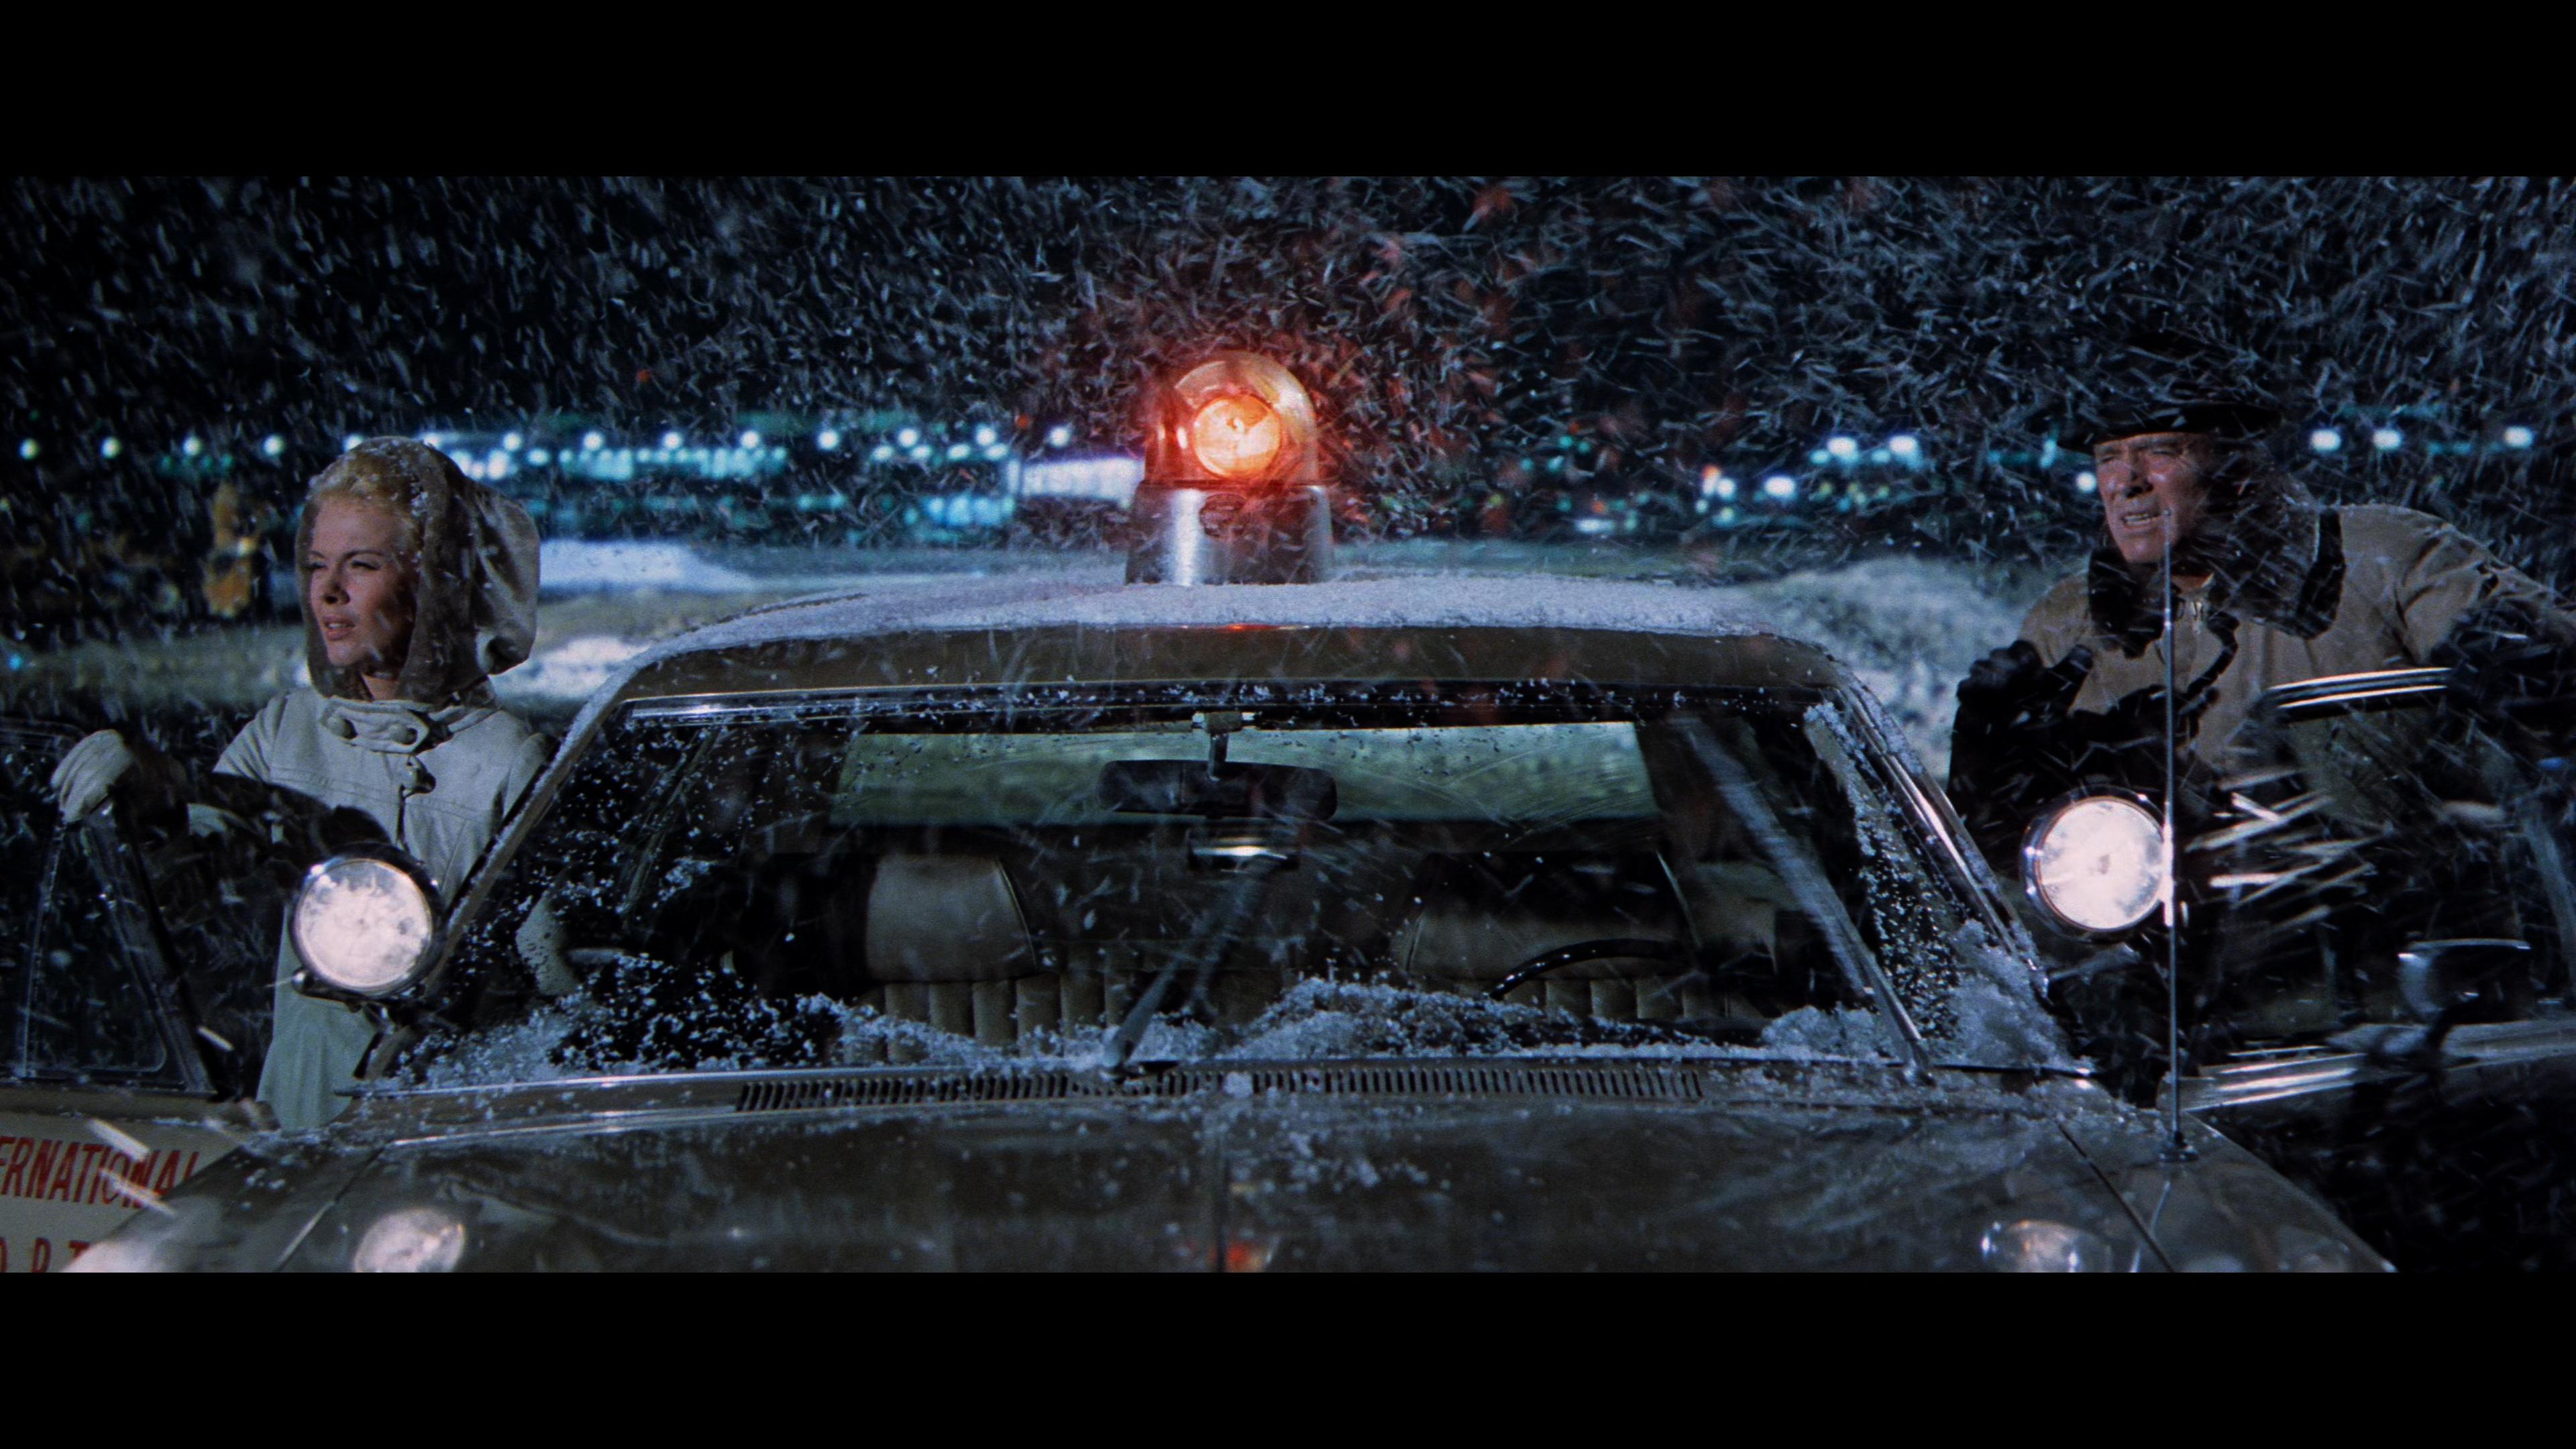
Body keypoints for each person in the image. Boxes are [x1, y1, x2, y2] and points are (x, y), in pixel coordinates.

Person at [51, 439, 549, 1129]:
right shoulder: (287, 731)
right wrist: (148, 800)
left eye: (362, 565)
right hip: (302, 1123)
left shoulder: (509, 762)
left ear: (436, 581)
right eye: (317, 565)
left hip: (443, 1133)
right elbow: (195, 891)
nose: (328, 592)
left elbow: (551, 999)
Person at [1949, 399, 2576, 876]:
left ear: (2236, 471)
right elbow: (2013, 862)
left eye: (2160, 450)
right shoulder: (2067, 623)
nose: (2126, 480)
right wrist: (1988, 763)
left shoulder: (2383, 559)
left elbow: (2546, 677)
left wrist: (2517, 664)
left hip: (2402, 958)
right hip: (2172, 978)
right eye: (2109, 456)